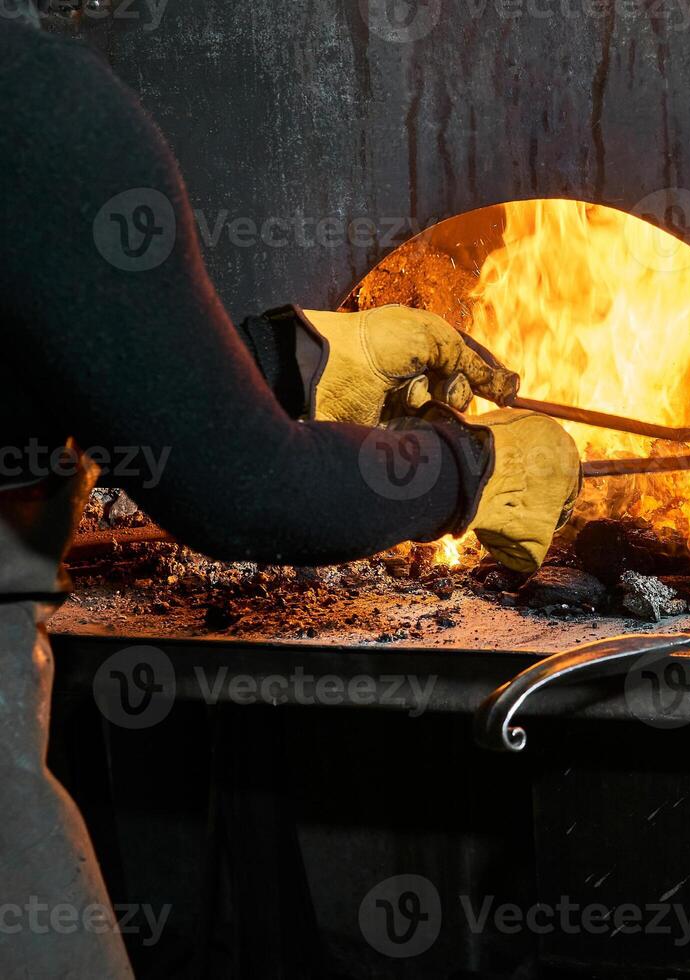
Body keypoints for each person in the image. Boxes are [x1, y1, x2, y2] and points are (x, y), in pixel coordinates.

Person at [0, 12, 581, 975]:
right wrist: (468, 471)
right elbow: (241, 489)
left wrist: (299, 357)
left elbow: (56, 343)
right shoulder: (36, 105)